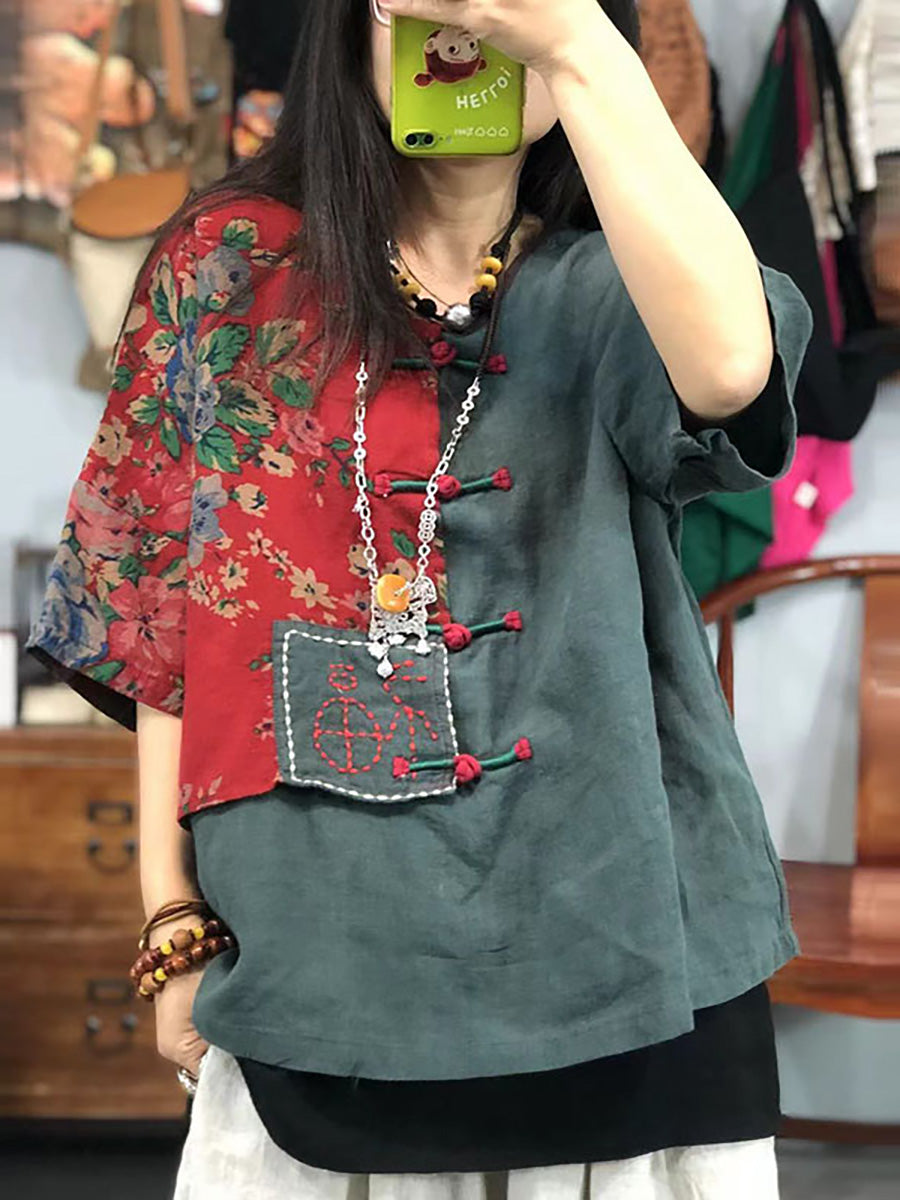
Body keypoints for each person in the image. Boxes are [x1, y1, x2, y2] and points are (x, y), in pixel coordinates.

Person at [28, 1, 814, 1196]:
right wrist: (169, 917)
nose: (468, 25)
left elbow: (731, 371)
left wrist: (578, 48)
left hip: (632, 944)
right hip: (320, 959)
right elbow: (155, 605)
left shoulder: (625, 276)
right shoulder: (228, 264)